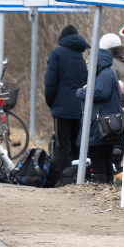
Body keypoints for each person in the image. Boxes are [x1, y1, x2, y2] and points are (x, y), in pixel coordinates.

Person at [75, 45, 124, 183]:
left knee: (97, 154)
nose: (88, 66)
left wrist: (81, 92)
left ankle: (100, 183)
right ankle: (107, 181)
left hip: (100, 123)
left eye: (89, 62)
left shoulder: (105, 74)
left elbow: (99, 93)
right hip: (105, 122)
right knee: (105, 154)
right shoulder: (107, 73)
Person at [44, 24, 89, 177]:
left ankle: (63, 178)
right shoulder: (83, 55)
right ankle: (77, 178)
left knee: (62, 145)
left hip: (61, 108)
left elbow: (50, 82)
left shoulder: (57, 53)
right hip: (81, 107)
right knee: (78, 145)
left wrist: (52, 103)